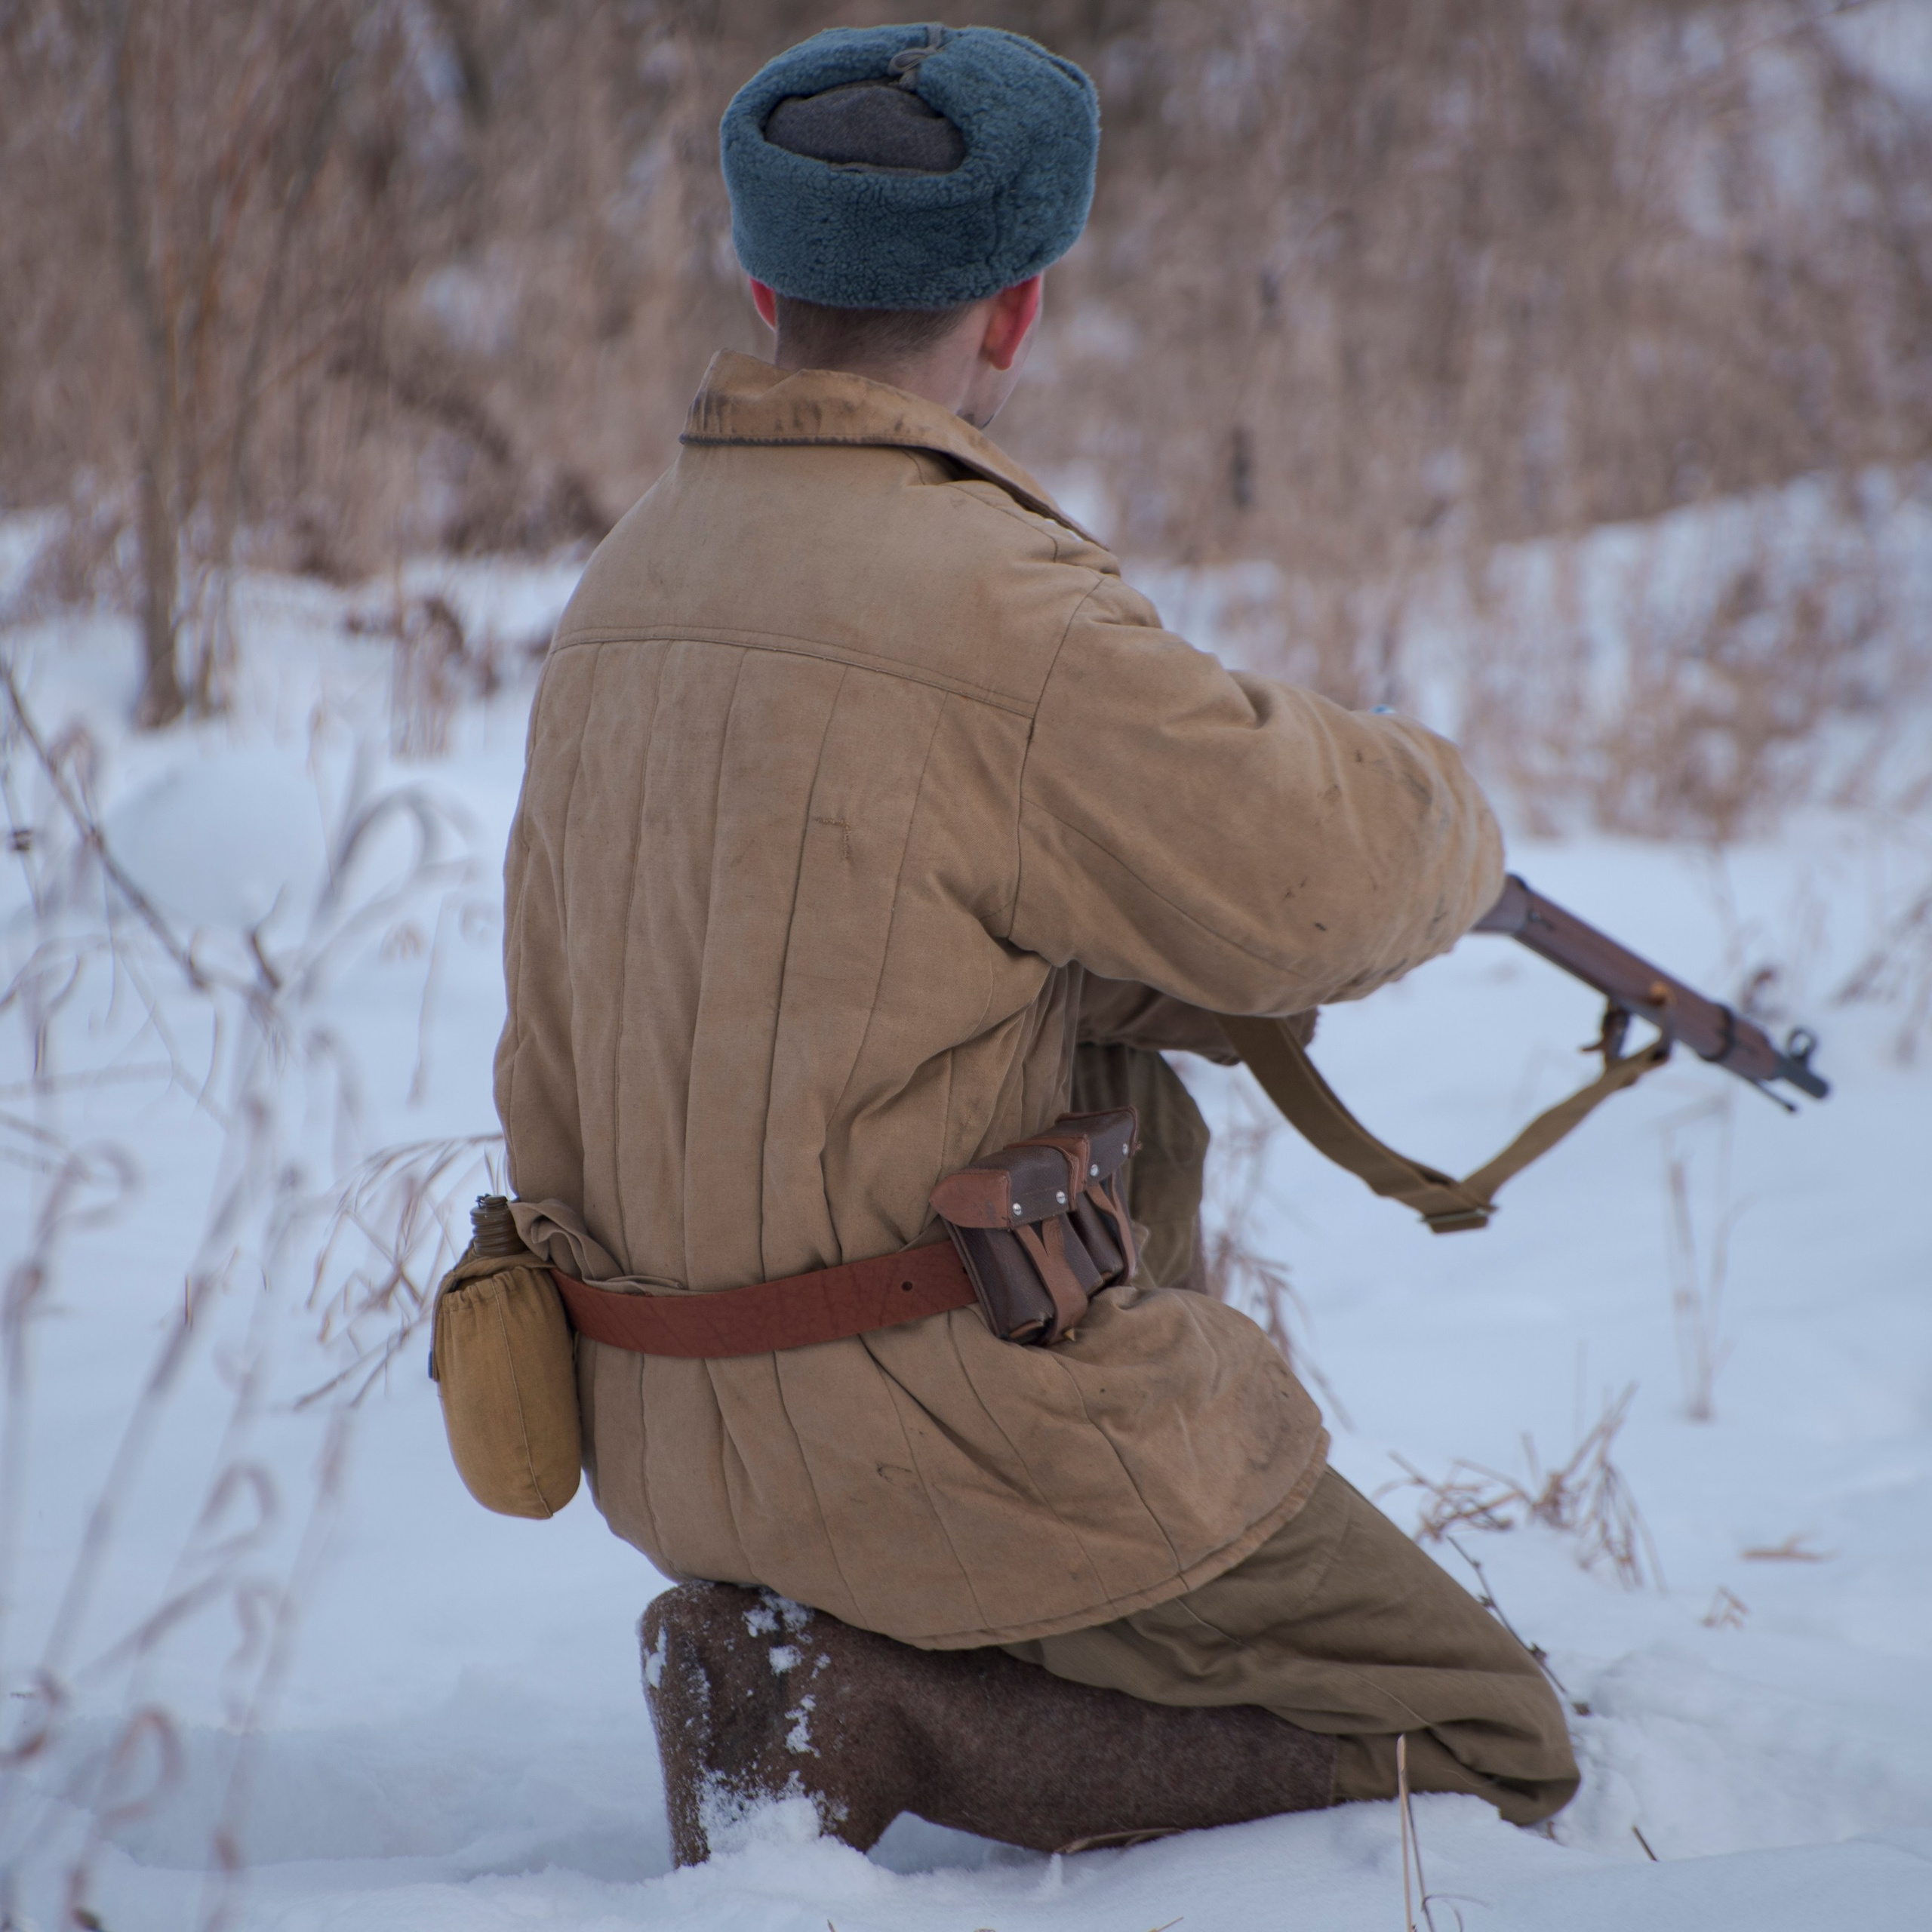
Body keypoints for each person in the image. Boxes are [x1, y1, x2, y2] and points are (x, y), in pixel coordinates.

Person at [494, 21, 1578, 1860]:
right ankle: (869, 1705)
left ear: (764, 283)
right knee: (1486, 1742)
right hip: (947, 1430)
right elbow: (1318, 879)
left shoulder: (626, 583)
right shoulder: (999, 610)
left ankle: (792, 1646)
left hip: (661, 1426)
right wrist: (1444, 805)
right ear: (1018, 313)